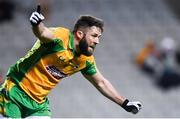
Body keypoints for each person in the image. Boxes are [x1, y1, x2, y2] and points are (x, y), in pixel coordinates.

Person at [0, 5, 141, 118]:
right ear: (79, 34)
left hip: (38, 104)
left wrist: (125, 103)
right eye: (94, 36)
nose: (97, 41)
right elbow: (43, 33)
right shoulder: (61, 37)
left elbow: (101, 82)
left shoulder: (85, 60)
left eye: (99, 37)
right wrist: (36, 23)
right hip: (15, 93)